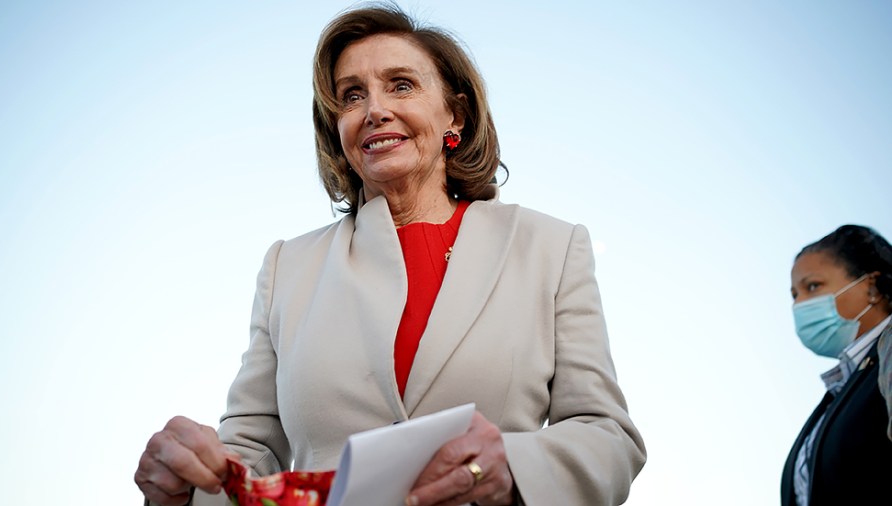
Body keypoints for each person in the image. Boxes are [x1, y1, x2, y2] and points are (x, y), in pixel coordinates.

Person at [134, 4, 646, 505]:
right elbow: (250, 454)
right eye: (351, 95)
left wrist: (511, 467)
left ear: (456, 115)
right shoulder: (287, 267)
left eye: (401, 84)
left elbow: (607, 439)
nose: (375, 108)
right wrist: (184, 486)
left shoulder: (550, 248)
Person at [781, 224, 892, 506]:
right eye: (795, 294)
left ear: (871, 287)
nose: (800, 304)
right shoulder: (842, 390)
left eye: (813, 286)